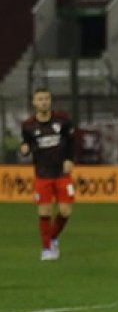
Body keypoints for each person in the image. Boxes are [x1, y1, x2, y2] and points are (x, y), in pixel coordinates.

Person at [19, 88, 76, 261]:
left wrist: (69, 159)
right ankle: (46, 249)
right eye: (40, 99)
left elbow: (72, 141)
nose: (44, 102)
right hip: (42, 173)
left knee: (65, 211)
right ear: (34, 103)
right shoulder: (28, 125)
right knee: (44, 211)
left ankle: (52, 238)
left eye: (46, 98)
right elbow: (26, 143)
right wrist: (24, 149)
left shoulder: (63, 121)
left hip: (61, 173)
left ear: (50, 101)